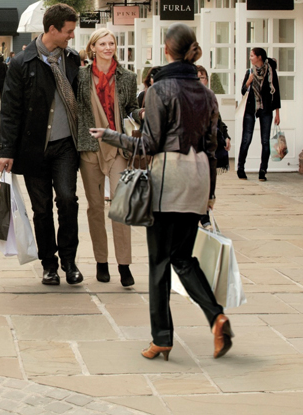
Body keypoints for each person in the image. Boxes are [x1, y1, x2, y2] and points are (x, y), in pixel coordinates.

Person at [92, 24, 233, 360]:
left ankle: (162, 338)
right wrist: (210, 192)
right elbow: (213, 148)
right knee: (183, 257)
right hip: (199, 176)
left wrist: (110, 135)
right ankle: (217, 316)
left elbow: (148, 144)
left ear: (168, 49)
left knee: (159, 261)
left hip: (169, 174)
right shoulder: (206, 92)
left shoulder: (160, 88)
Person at [0, 3, 83, 286]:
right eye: (68, 31)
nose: (72, 36)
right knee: (42, 208)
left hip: (65, 146)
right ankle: (50, 264)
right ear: (52, 29)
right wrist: (7, 151)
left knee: (68, 200)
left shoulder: (71, 60)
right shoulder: (22, 63)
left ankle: (70, 261)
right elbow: (10, 110)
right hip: (34, 148)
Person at [74, 28, 137, 287]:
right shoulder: (80, 77)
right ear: (93, 48)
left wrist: (142, 114)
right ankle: (101, 261)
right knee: (95, 207)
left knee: (120, 207)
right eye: (103, 43)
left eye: (111, 43)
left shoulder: (128, 77)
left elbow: (131, 107)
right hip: (90, 147)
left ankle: (124, 264)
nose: (108, 47)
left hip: (118, 147)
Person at [237, 47, 280, 181]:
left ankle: (263, 170)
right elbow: (243, 91)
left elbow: (276, 92)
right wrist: (249, 81)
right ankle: (240, 168)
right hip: (251, 109)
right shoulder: (249, 72)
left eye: (252, 55)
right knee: (246, 139)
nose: (250, 58)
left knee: (265, 141)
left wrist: (277, 114)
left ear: (259, 57)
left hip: (266, 110)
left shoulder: (270, 72)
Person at [197, 65, 232, 172]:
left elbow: (218, 120)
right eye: (196, 77)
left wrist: (226, 136)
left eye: (202, 77)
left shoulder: (210, 97)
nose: (199, 80)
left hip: (209, 144)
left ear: (207, 80)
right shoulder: (187, 98)